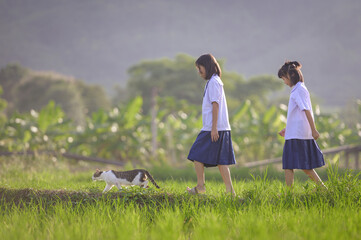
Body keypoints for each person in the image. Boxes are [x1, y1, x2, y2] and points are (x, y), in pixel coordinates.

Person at [187, 53, 236, 195]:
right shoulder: (214, 81)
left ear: (207, 66)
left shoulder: (214, 82)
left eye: (200, 68)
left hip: (213, 128)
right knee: (221, 161)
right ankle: (230, 192)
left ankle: (200, 187)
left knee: (196, 153)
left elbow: (216, 105)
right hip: (218, 127)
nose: (199, 72)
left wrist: (214, 128)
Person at [278, 61, 326, 189]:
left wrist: (314, 130)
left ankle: (322, 188)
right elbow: (297, 114)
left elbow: (306, 110)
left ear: (290, 76)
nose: (284, 82)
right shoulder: (297, 89)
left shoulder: (299, 90)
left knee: (298, 165)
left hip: (298, 135)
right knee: (291, 164)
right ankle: (291, 193)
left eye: (284, 78)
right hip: (294, 133)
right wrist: (287, 129)